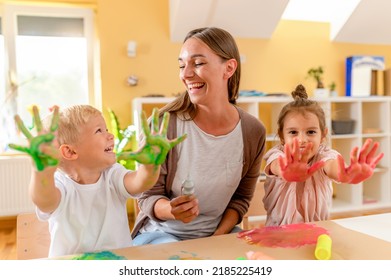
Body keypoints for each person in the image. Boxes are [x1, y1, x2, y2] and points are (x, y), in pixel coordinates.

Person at [131, 27, 266, 245]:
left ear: (229, 68)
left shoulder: (252, 132)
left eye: (198, 63)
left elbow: (240, 200)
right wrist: (172, 210)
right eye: (182, 65)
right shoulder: (163, 126)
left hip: (219, 233)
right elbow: (147, 197)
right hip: (161, 234)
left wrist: (216, 240)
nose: (185, 74)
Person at [9, 105, 185, 257]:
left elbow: (140, 183)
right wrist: (42, 172)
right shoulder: (61, 184)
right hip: (72, 269)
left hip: (118, 264)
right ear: (70, 152)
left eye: (107, 129)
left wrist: (150, 165)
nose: (110, 136)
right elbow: (44, 201)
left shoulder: (112, 174)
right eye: (99, 131)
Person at [262, 84, 384, 226]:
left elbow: (332, 165)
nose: (302, 140)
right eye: (293, 132)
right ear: (282, 136)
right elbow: (275, 166)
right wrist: (285, 171)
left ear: (323, 135)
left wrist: (346, 173)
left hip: (317, 233)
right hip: (277, 235)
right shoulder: (277, 155)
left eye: (311, 132)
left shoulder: (324, 155)